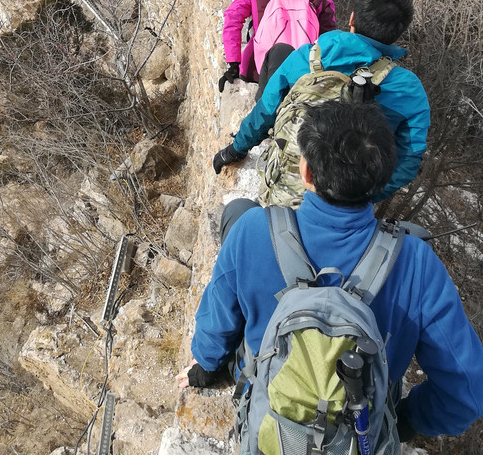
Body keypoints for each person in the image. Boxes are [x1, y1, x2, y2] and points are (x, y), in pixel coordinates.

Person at [179, 102, 483, 445]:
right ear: (382, 181)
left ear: (306, 172)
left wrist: (203, 367)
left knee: (237, 211)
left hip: (271, 424)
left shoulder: (253, 232)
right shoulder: (417, 264)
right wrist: (401, 420)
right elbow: (468, 392)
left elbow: (216, 319)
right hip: (358, 430)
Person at [213, 0, 430, 203]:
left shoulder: (309, 56)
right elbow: (408, 160)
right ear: (398, 32)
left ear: (352, 18)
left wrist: (236, 149)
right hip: (348, 206)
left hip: (285, 188)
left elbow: (265, 110)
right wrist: (361, 198)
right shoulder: (409, 91)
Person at [219, 0, 336, 100]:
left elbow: (232, 19)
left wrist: (233, 62)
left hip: (257, 72)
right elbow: (328, 37)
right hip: (301, 75)